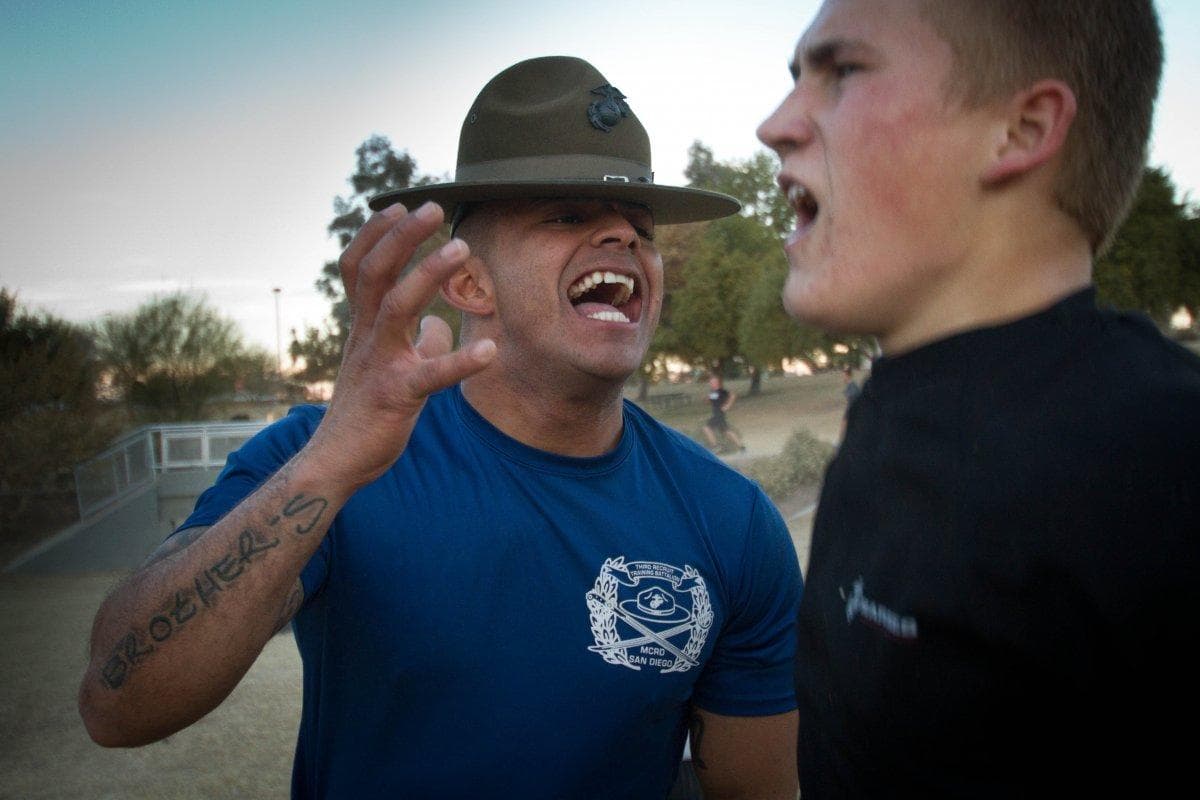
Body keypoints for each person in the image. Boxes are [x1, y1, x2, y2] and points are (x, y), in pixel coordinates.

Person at [78, 56, 803, 799]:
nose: (622, 236)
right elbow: (118, 702)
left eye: (640, 228)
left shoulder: (730, 521)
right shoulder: (322, 458)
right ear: (466, 283)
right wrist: (329, 469)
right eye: (569, 216)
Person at [757, 0, 1198, 796]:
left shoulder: (1164, 462)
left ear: (1022, 130)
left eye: (842, 70)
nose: (776, 124)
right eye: (795, 79)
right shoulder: (894, 410)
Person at [702, 375, 745, 453]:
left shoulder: (721, 391)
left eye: (713, 382)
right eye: (710, 382)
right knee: (727, 432)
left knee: (706, 428)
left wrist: (727, 405)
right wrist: (707, 399)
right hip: (717, 415)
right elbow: (710, 401)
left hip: (719, 415)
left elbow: (733, 395)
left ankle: (716, 446)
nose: (711, 384)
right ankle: (742, 447)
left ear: (717, 383)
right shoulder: (714, 393)